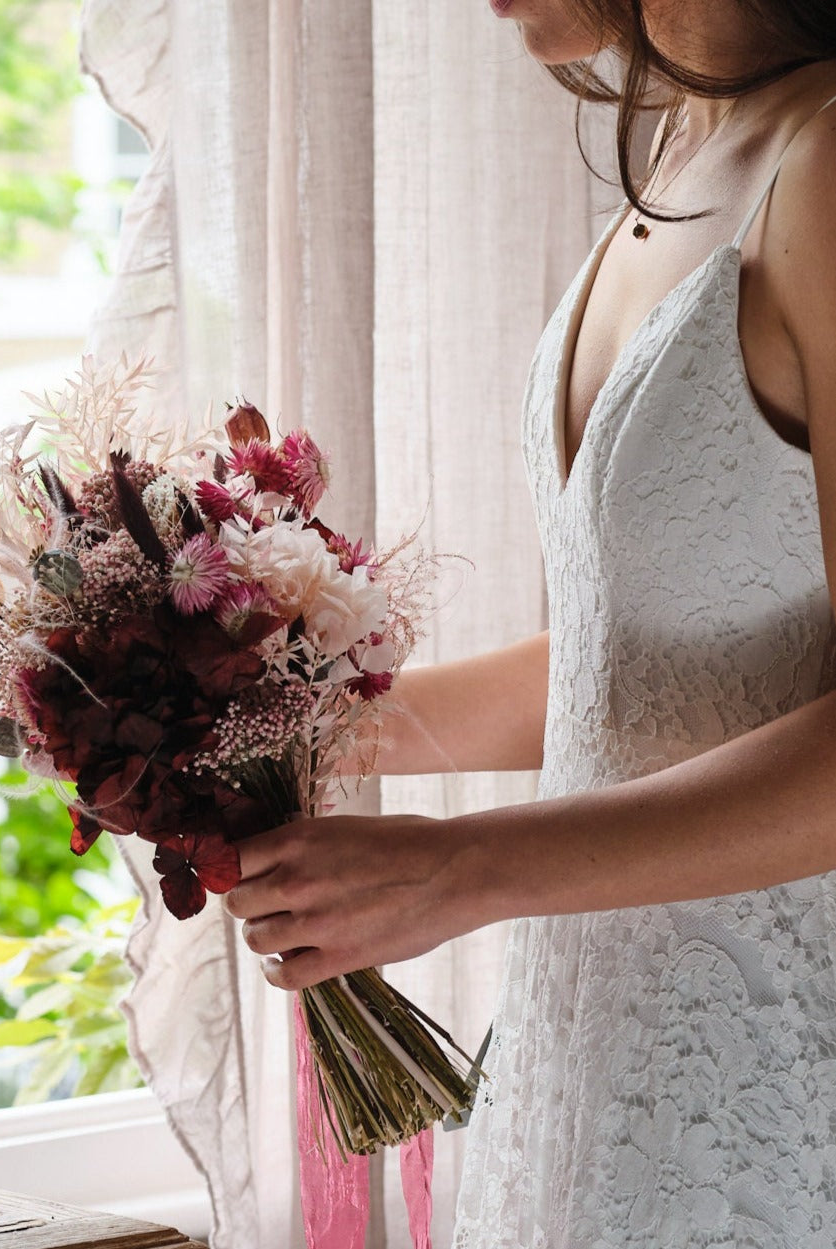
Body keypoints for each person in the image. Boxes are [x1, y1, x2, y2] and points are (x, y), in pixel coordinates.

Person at [224, 1, 836, 1243]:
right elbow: (658, 660)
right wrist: (296, 724)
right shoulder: (685, 144)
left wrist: (460, 869)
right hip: (587, 1055)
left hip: (778, 1067)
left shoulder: (828, 162)